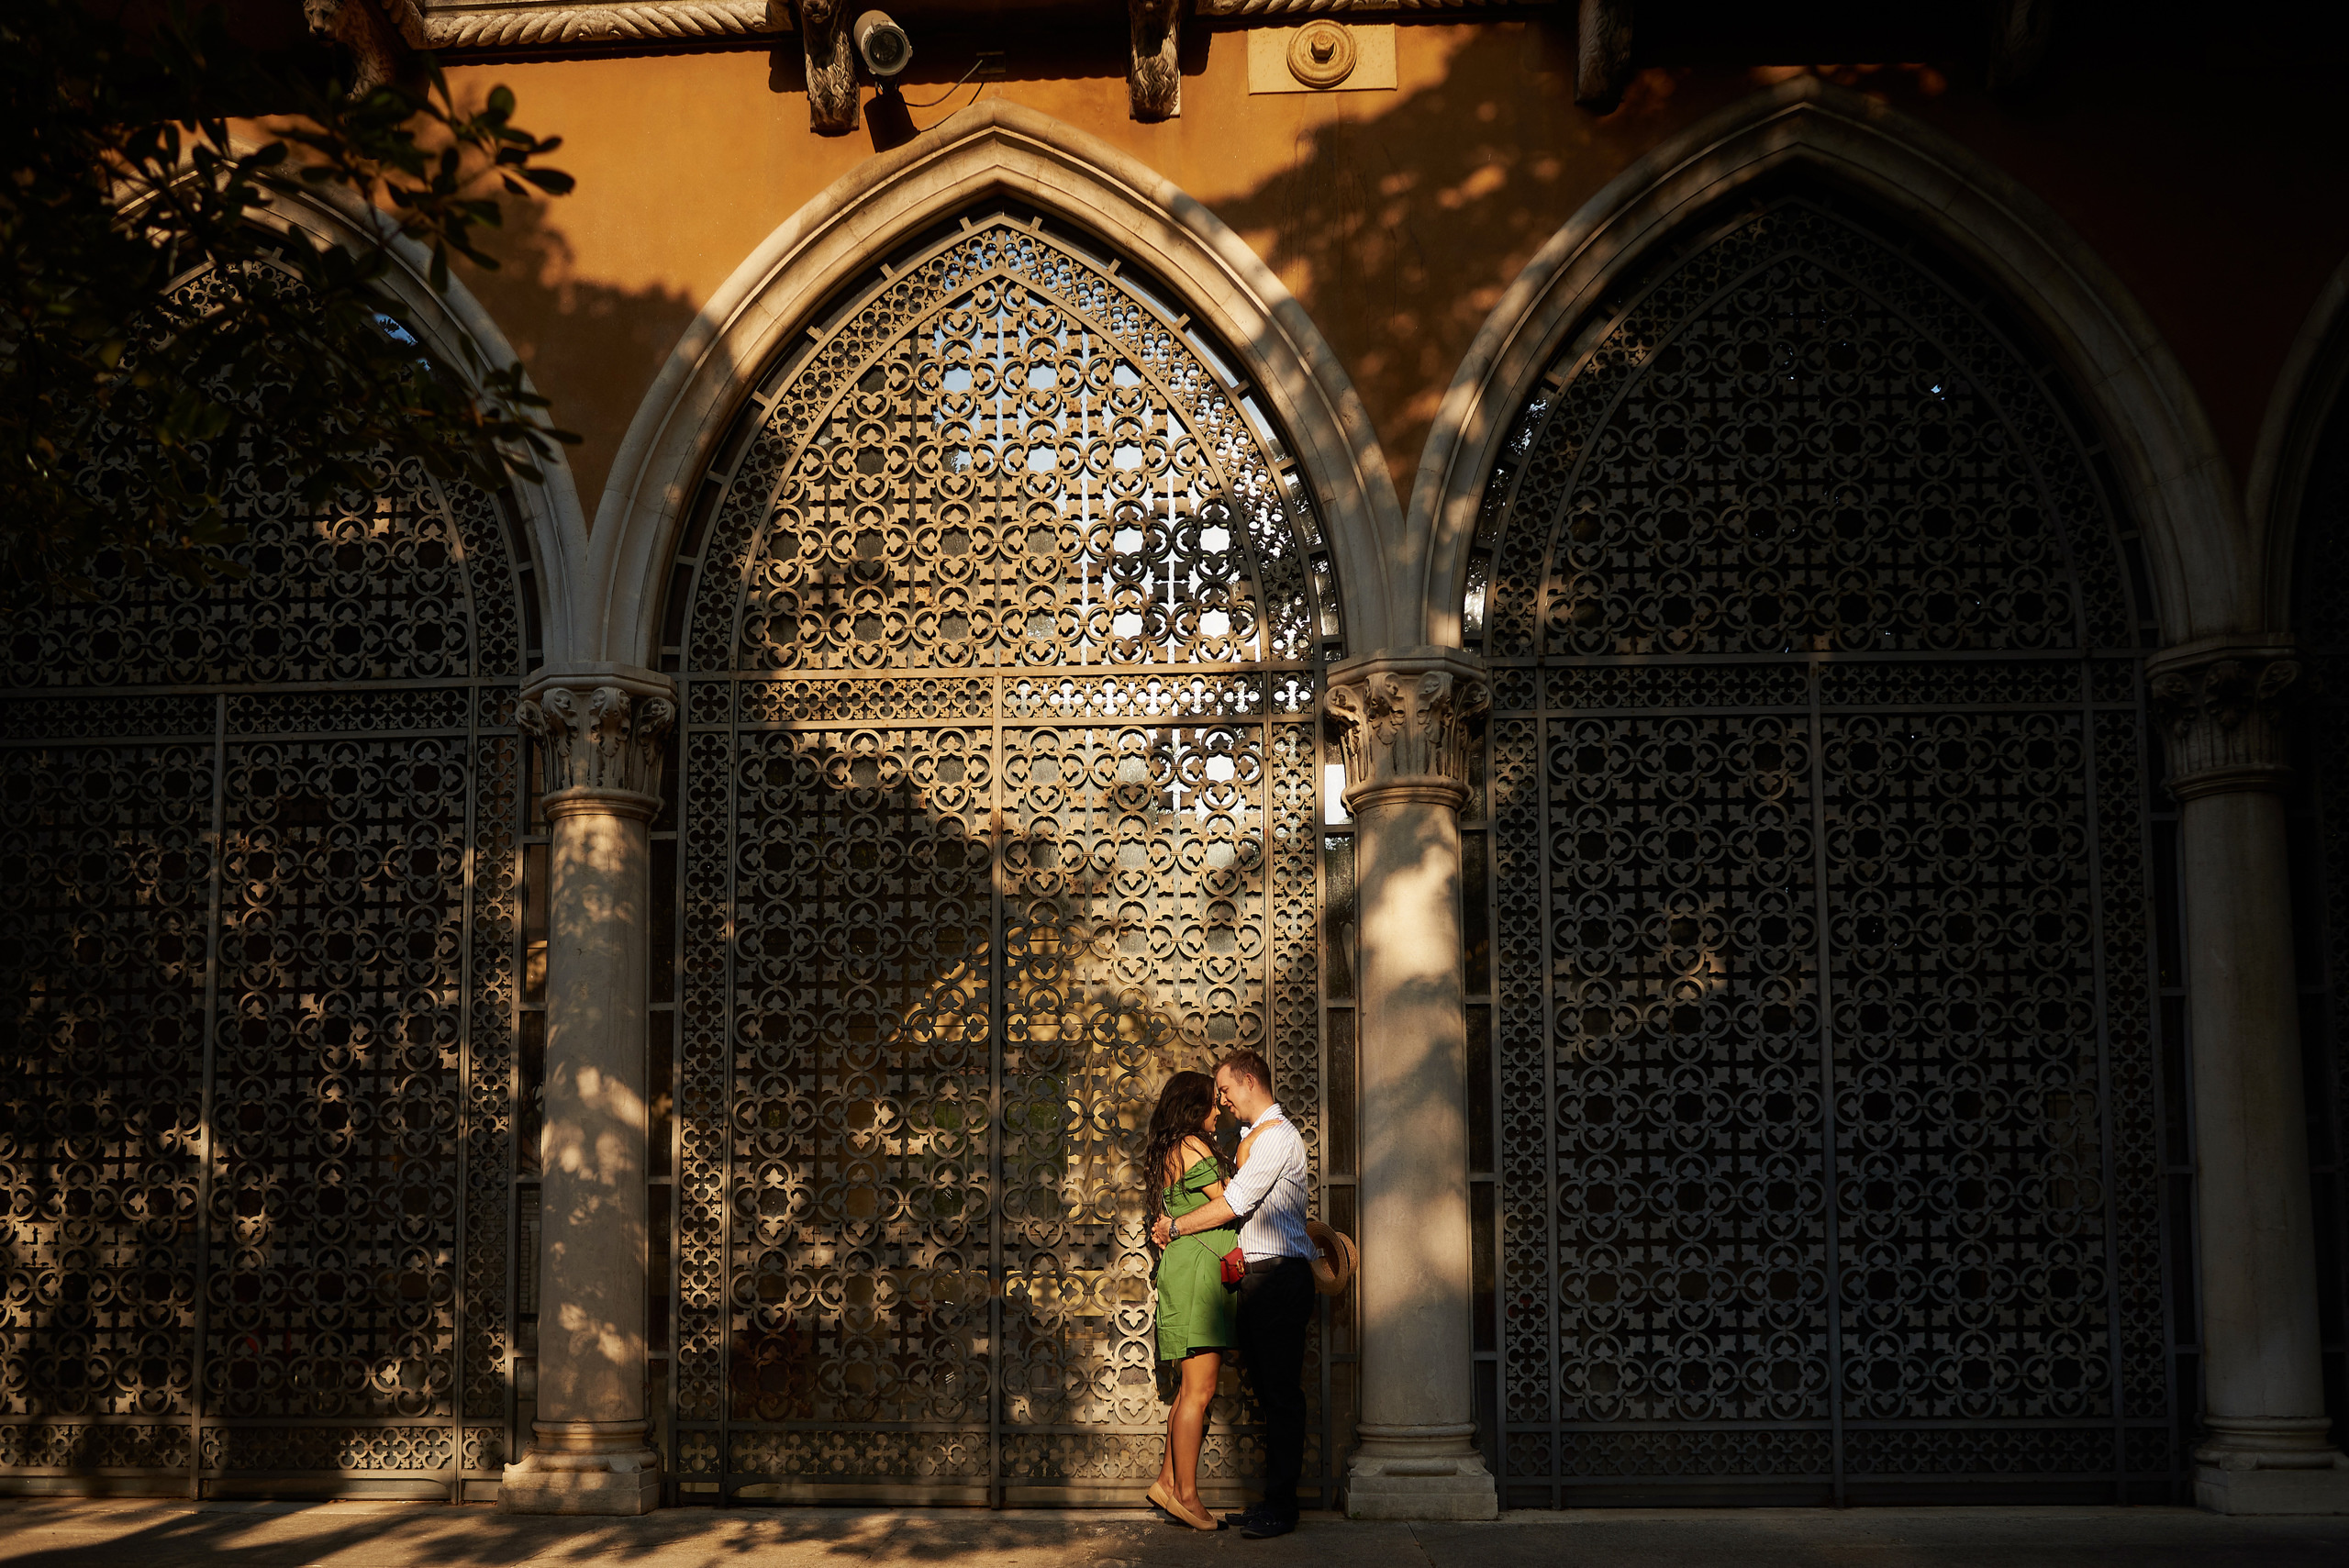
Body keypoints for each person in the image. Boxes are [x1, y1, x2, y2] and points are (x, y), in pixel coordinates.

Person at [1150, 1049, 1313, 1539]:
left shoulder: (1276, 1137)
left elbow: (1234, 1203)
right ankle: (1263, 1502)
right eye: (1214, 1095)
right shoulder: (1246, 1138)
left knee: (1280, 1396)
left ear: (1247, 1081)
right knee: (1263, 1393)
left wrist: (1174, 1226)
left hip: (1278, 1277)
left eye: (1224, 1089)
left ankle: (1281, 1509)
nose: (1220, 1101)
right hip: (1252, 1281)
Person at [1141, 1070, 1237, 1532]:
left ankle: (1165, 1482)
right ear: (1193, 1107)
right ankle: (1187, 1496)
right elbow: (1232, 1200)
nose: (1218, 1111)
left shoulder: (1170, 1147)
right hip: (1199, 1277)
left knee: (1187, 1391)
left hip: (1190, 1270)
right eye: (1212, 1104)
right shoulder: (1193, 1145)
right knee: (1200, 1392)